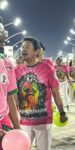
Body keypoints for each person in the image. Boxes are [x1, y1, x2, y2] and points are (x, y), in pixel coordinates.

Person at [15, 37, 67, 150]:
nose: (23, 49)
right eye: (22, 47)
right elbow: (13, 96)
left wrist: (62, 112)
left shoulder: (48, 69)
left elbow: (56, 93)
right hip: (23, 121)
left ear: (37, 51)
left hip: (43, 121)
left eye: (27, 47)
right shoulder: (16, 70)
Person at [0, 17, 20, 149]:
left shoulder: (7, 63)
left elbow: (11, 98)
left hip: (4, 119)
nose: (4, 38)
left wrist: (18, 131)